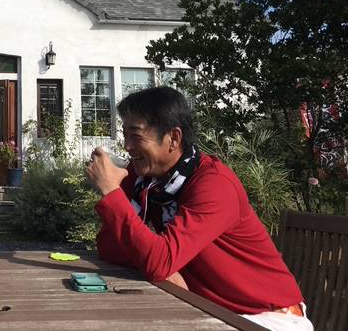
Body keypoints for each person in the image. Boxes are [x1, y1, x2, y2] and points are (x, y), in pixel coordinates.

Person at [86, 86, 312, 331]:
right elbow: (111, 250)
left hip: (266, 317)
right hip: (210, 310)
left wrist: (112, 192)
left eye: (136, 136)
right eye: (125, 135)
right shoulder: (147, 179)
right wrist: (121, 193)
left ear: (173, 138)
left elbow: (159, 262)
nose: (128, 146)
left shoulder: (214, 184)